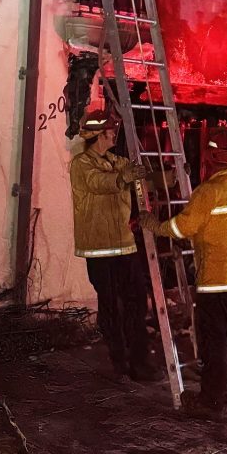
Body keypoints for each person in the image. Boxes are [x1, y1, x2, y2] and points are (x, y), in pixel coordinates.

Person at [139, 126, 227, 420]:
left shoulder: (207, 192)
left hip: (216, 282)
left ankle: (212, 400)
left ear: (209, 158)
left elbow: (183, 227)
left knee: (214, 341)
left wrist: (152, 223)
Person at [70, 109, 162, 382]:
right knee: (111, 307)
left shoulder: (115, 161)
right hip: (99, 248)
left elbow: (136, 175)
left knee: (136, 303)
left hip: (124, 245)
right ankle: (120, 361)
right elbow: (100, 183)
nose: (115, 133)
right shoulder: (81, 164)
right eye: (111, 129)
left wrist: (163, 176)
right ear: (100, 134)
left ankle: (139, 362)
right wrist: (125, 177)